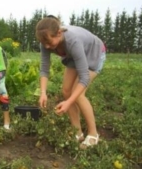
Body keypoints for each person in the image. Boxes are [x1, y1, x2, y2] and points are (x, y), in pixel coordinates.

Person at [36, 15, 106, 149]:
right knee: (66, 91)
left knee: (78, 94)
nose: (47, 46)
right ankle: (77, 132)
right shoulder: (45, 41)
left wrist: (68, 103)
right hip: (75, 56)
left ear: (59, 33)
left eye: (50, 43)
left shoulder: (73, 41)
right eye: (44, 43)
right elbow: (44, 69)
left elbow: (84, 78)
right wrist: (43, 92)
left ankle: (93, 134)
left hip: (94, 53)